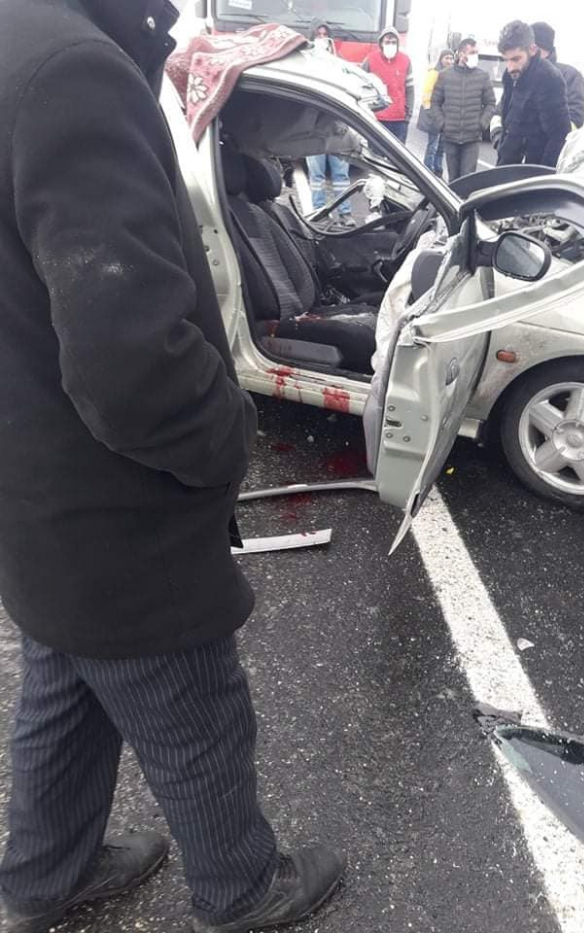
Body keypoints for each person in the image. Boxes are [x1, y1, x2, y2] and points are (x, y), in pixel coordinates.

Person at [0, 2, 345, 933]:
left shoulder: (15, 41)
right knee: (193, 703)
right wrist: (223, 438)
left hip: (32, 474)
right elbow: (128, 355)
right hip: (110, 496)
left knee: (66, 683)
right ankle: (242, 888)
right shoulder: (70, 71)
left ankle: (43, 876)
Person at [490, 20, 571, 168]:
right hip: (507, 165)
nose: (510, 67)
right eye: (506, 60)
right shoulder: (511, 75)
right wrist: (501, 144)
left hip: (531, 170)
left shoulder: (548, 77)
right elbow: (508, 120)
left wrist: (541, 175)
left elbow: (559, 135)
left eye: (516, 59)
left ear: (532, 50)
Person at [306, 21, 355, 227]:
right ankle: (320, 212)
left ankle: (345, 213)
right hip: (313, 130)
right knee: (316, 175)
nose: (322, 39)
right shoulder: (305, 66)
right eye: (318, 35)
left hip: (336, 129)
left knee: (341, 174)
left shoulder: (338, 66)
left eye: (325, 35)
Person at [431, 37, 496, 182]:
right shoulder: (445, 76)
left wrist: (482, 124)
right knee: (453, 180)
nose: (475, 56)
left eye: (476, 52)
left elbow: (491, 103)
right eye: (472, 52)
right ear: (461, 55)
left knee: (467, 180)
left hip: (472, 138)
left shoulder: (482, 76)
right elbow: (435, 103)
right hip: (450, 136)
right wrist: (442, 124)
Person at [363, 27, 415, 143]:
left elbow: (410, 90)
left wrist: (408, 115)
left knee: (397, 154)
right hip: (376, 119)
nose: (390, 45)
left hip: (399, 121)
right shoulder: (370, 59)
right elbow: (360, 85)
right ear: (381, 43)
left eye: (393, 42)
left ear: (398, 44)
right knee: (375, 153)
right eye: (387, 42)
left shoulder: (406, 60)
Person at [531, 21, 584, 129]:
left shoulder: (570, 76)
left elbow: (575, 117)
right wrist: (498, 133)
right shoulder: (521, 74)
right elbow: (501, 111)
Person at [418, 49, 454, 177]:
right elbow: (427, 93)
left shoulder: (451, 74)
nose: (449, 61)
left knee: (442, 145)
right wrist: (431, 111)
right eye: (446, 58)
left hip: (446, 115)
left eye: (451, 58)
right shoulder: (434, 73)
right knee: (433, 144)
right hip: (435, 114)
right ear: (441, 59)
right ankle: (428, 169)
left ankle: (438, 168)